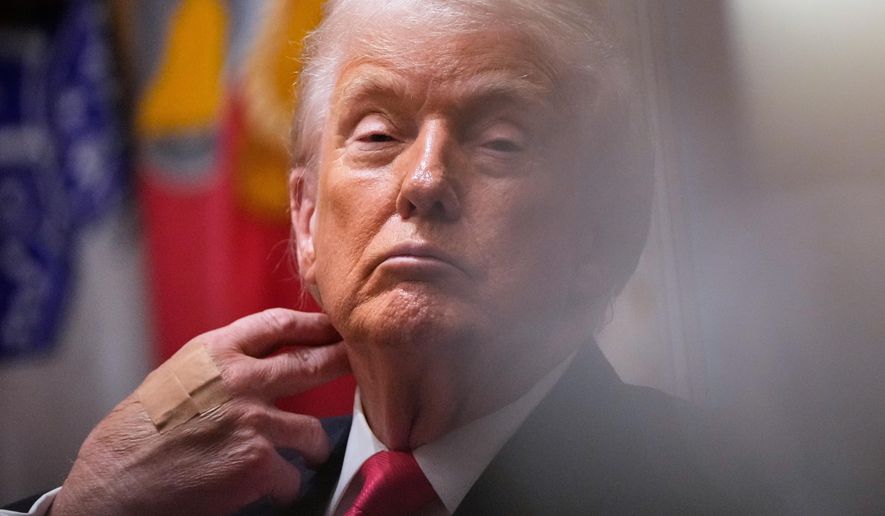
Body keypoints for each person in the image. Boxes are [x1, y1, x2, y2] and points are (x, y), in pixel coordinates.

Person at [3, 0, 774, 514]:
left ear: (601, 237)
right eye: (377, 136)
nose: (426, 180)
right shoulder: (195, 500)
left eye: (499, 142)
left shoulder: (724, 492)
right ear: (304, 220)